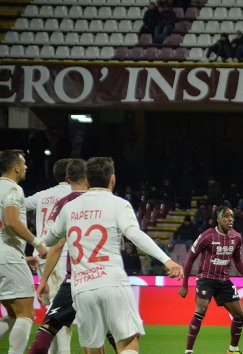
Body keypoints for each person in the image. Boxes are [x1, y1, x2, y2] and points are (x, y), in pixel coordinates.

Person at [42, 156, 183, 354]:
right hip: (112, 282)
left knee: (92, 349)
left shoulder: (68, 208)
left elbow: (47, 240)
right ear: (112, 179)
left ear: (88, 180)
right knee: (128, 344)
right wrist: (166, 260)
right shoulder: (118, 204)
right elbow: (134, 234)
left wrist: (35, 245)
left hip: (81, 288)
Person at [28, 158, 99, 354]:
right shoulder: (77, 194)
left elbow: (18, 206)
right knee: (63, 313)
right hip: (64, 254)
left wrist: (34, 242)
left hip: (42, 253)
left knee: (52, 311)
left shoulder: (43, 195)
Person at [178, 206, 243, 354]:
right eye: (226, 216)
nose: (230, 219)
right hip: (205, 278)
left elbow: (237, 260)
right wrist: (185, 285)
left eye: (232, 216)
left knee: (239, 314)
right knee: (201, 310)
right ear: (218, 219)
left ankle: (233, 349)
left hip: (224, 280)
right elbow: (190, 258)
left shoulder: (236, 237)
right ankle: (188, 351)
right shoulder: (207, 236)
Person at [0, 149, 48, 354]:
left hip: (7, 256)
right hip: (7, 255)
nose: (26, 166)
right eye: (24, 163)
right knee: (26, 313)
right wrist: (37, 243)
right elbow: (11, 221)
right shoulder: (13, 189)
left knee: (12, 313)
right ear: (16, 168)